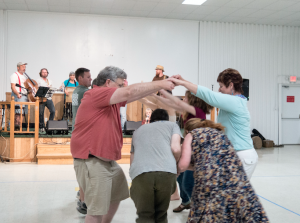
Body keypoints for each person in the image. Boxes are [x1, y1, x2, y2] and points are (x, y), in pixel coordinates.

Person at [71, 66, 176, 223]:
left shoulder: (110, 100)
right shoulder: (96, 93)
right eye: (120, 85)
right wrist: (162, 84)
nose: (123, 88)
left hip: (106, 162)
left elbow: (134, 95)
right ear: (108, 82)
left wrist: (160, 88)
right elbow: (129, 92)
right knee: (96, 211)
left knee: (117, 194)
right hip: (92, 160)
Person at [171, 68, 258, 179]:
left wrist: (183, 83)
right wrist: (185, 81)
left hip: (242, 156)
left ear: (231, 85)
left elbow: (209, 96)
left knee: (229, 194)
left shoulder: (235, 102)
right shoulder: (232, 103)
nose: (219, 89)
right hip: (234, 154)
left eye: (221, 86)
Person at [178, 118, 269, 222]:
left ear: (187, 131)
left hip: (211, 187)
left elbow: (183, 166)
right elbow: (212, 163)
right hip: (238, 184)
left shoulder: (192, 134)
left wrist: (176, 166)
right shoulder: (220, 134)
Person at [154, 89, 213, 212]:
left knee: (187, 182)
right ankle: (186, 201)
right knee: (179, 176)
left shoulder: (197, 110)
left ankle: (199, 210)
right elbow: (171, 104)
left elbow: (178, 103)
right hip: (188, 146)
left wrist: (161, 90)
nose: (183, 99)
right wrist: (155, 95)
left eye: (186, 97)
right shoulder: (188, 111)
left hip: (197, 149)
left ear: (192, 100)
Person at [130, 109, 182, 223]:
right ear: (166, 119)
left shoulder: (137, 130)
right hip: (166, 172)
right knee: (161, 214)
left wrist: (133, 177)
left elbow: (132, 158)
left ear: (151, 120)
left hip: (141, 173)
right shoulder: (172, 126)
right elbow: (176, 149)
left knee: (144, 215)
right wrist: (176, 166)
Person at [71, 67, 92, 215]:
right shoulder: (85, 92)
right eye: (88, 77)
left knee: (81, 168)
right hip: (84, 134)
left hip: (77, 133)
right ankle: (83, 201)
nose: (90, 79)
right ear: (80, 79)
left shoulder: (75, 91)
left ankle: (82, 195)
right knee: (85, 169)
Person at [10, 62, 28, 130]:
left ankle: (19, 127)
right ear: (18, 67)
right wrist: (17, 94)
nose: (24, 68)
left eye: (25, 67)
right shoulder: (14, 75)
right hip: (19, 96)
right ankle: (16, 128)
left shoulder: (24, 76)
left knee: (22, 113)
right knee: (18, 112)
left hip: (24, 96)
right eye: (22, 66)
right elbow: (12, 86)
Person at [37, 68, 55, 132]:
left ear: (47, 73)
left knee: (53, 111)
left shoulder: (50, 81)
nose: (44, 73)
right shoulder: (38, 80)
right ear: (41, 73)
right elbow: (37, 89)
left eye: (45, 72)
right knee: (41, 113)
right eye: (43, 72)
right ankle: (42, 127)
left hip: (48, 98)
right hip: (42, 98)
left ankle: (49, 125)